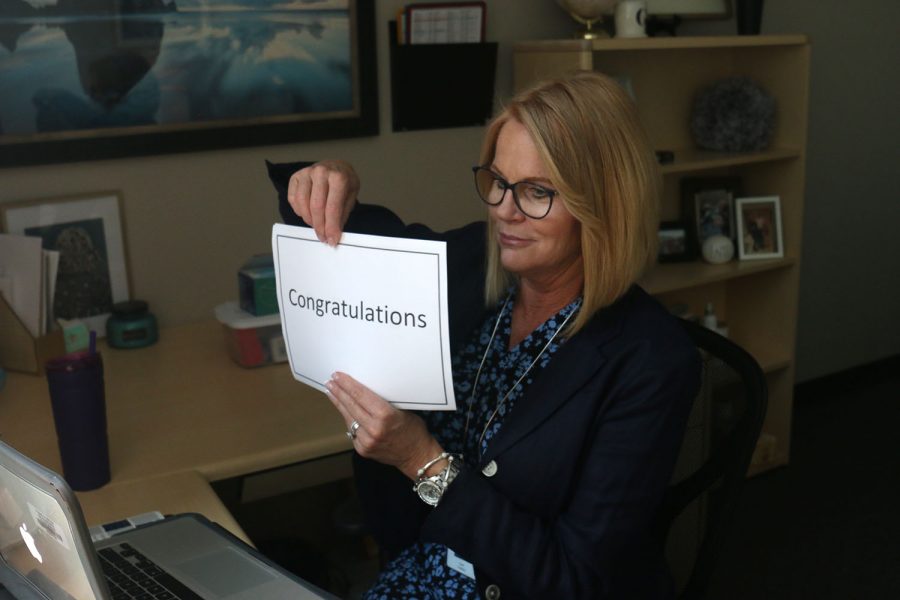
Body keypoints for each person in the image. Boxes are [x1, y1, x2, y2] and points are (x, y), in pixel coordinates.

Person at [267, 71, 701, 599]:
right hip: (418, 565)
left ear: (607, 204)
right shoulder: (478, 259)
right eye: (497, 181)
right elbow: (370, 249)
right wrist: (328, 185)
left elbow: (573, 580)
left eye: (537, 191)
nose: (503, 209)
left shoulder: (651, 362)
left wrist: (421, 460)